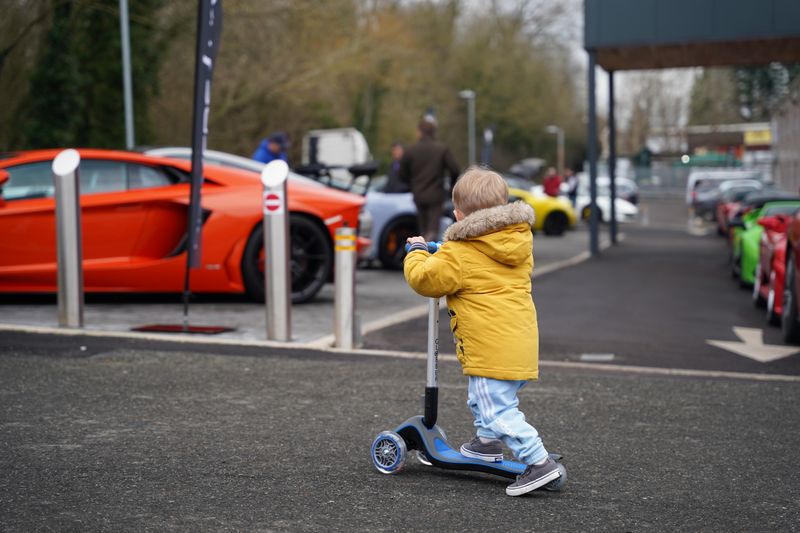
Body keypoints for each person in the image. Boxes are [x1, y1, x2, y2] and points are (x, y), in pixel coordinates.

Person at [403, 167, 561, 497]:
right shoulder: (516, 241)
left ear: (459, 214)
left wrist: (418, 252)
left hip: (491, 346)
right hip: (519, 340)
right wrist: (442, 250)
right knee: (482, 397)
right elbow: (477, 265)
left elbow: (427, 280)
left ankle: (538, 461)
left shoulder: (461, 251)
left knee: (495, 408)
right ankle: (486, 443)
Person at [399, 118, 460, 241]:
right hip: (436, 195)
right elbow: (455, 169)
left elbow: (401, 173)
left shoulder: (410, 150)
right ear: (434, 132)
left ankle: (422, 249)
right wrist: (451, 188)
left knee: (423, 227)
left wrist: (412, 184)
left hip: (418, 194)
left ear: (419, 132)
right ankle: (428, 247)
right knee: (433, 228)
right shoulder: (442, 149)